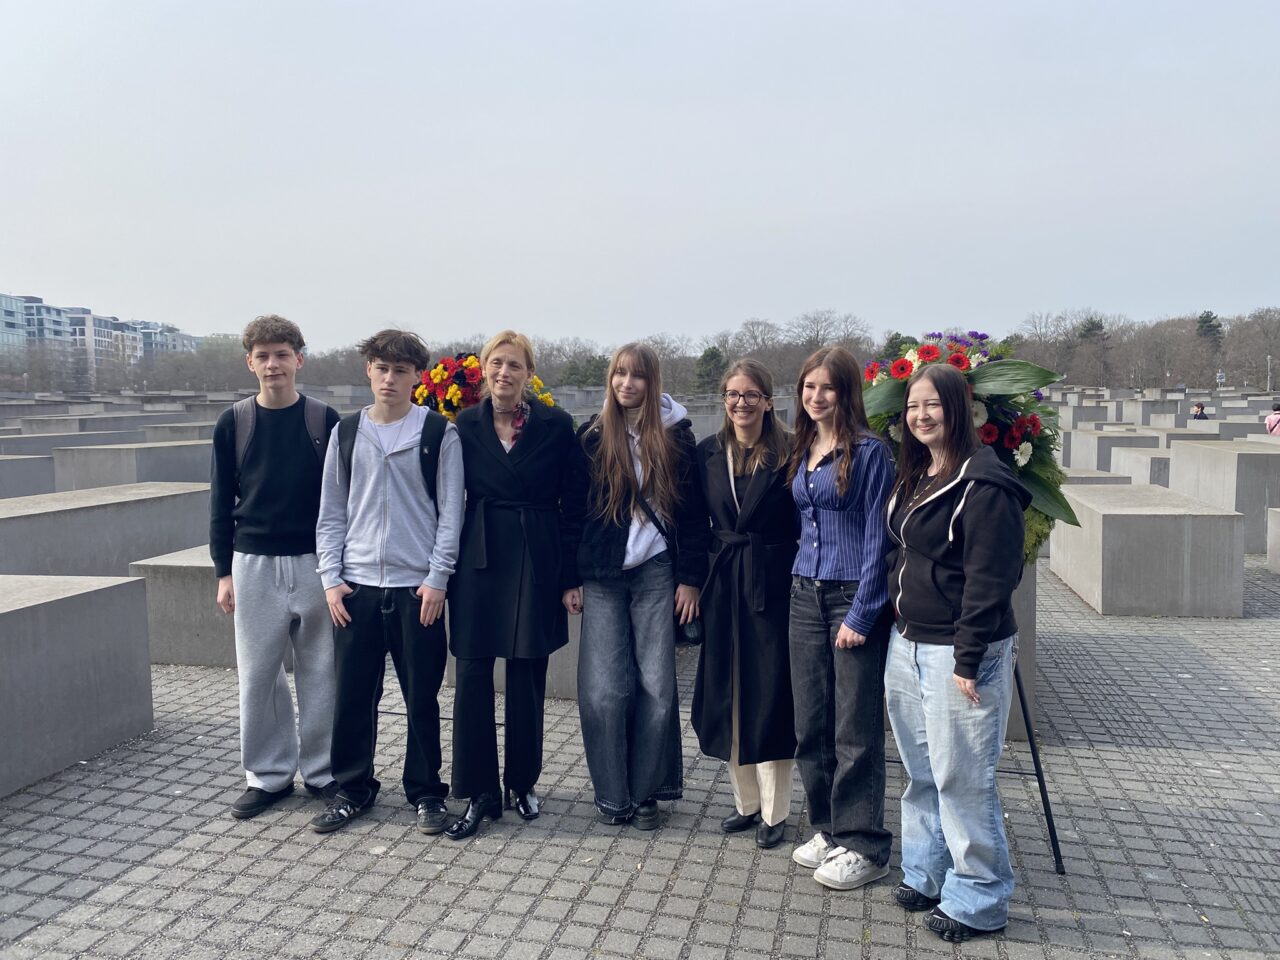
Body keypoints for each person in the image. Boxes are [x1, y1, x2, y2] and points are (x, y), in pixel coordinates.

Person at [883, 362, 1031, 943]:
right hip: (908, 641)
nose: (920, 416)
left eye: (933, 405)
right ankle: (926, 871)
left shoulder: (985, 484)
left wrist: (969, 658)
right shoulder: (918, 473)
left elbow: (991, 579)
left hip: (957, 651)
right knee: (922, 771)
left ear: (960, 410)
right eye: (912, 406)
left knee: (962, 777)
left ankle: (980, 896)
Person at [311, 329, 464, 834]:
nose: (390, 379)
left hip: (417, 590)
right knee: (353, 697)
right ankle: (352, 789)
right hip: (355, 589)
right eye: (381, 368)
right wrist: (331, 578)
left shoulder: (438, 433)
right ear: (368, 371)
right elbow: (331, 512)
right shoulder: (347, 433)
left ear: (417, 376)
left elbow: (451, 514)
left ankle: (426, 792)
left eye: (400, 370)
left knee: (421, 697)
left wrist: (438, 577)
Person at [563, 342, 708, 829]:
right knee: (604, 689)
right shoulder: (592, 436)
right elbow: (573, 512)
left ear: (652, 381)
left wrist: (690, 579)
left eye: (637, 375)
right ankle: (612, 794)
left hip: (657, 571)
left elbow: (694, 517)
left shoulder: (676, 436)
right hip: (603, 573)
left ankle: (647, 792)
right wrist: (569, 579)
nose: (627, 383)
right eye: (620, 374)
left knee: (657, 688)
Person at [445, 331, 579, 839]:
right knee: (472, 674)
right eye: (496, 363)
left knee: (527, 676)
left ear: (529, 373)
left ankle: (521, 782)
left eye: (515, 365)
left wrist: (570, 577)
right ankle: (478, 790)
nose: (504, 372)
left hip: (535, 553)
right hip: (478, 556)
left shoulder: (556, 425)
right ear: (484, 368)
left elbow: (574, 504)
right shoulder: (465, 424)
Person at [210, 314, 340, 819]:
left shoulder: (323, 420)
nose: (273, 365)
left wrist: (339, 569)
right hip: (253, 563)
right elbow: (220, 501)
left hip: (315, 562)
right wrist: (223, 572)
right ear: (250, 363)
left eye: (282, 355)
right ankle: (268, 776)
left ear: (299, 359)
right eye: (262, 356)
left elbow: (341, 500)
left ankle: (324, 771)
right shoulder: (234, 422)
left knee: (322, 671)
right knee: (258, 675)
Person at [786, 345, 894, 891]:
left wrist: (864, 610)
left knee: (855, 725)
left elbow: (879, 538)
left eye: (827, 387)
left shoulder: (871, 453)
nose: (817, 396)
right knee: (811, 722)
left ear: (846, 391)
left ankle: (865, 843)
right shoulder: (804, 445)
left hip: (851, 594)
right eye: (809, 386)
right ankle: (828, 828)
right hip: (804, 591)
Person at [691, 359, 798, 850]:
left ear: (768, 401)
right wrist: (691, 582)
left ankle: (776, 811)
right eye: (733, 394)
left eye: (751, 394)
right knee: (729, 690)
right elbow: (693, 523)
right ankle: (746, 803)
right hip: (723, 581)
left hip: (772, 580)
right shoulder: (708, 452)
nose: (741, 403)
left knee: (770, 694)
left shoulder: (791, 451)